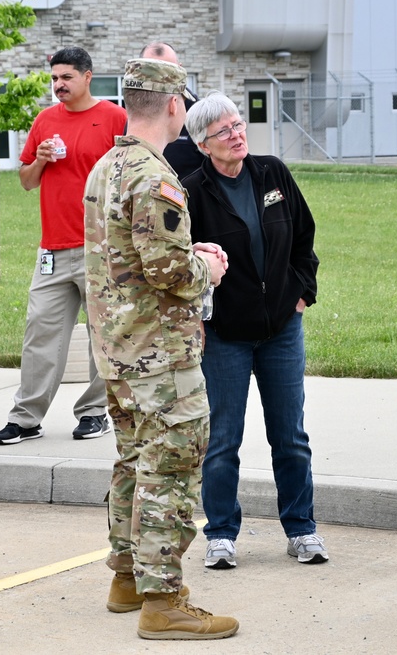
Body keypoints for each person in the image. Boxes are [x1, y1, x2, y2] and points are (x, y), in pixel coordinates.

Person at [84, 57, 237, 640]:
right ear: (175, 105)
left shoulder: (108, 166)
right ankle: (162, 598)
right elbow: (169, 269)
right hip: (158, 354)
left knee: (133, 461)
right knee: (170, 468)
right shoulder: (154, 176)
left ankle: (126, 576)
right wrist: (209, 266)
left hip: (118, 349)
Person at [182, 92, 324, 570]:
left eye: (238, 124)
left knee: (291, 436)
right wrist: (201, 320)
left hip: (282, 329)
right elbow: (185, 265)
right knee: (222, 439)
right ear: (203, 144)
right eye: (223, 131)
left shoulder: (272, 173)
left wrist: (302, 292)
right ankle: (220, 534)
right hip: (225, 336)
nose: (237, 134)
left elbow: (304, 236)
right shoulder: (191, 191)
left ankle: (302, 529)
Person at [0, 46, 127, 446]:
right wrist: (41, 160)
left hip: (100, 248)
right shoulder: (45, 120)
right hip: (52, 249)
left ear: (88, 76)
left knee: (101, 335)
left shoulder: (115, 118)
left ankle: (93, 413)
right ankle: (26, 417)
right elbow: (27, 180)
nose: (58, 85)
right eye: (54, 78)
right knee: (41, 334)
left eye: (66, 77)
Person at [139, 41, 201, 180]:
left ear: (180, 70)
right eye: (153, 71)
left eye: (168, 71)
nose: (161, 79)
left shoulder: (200, 115)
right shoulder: (136, 113)